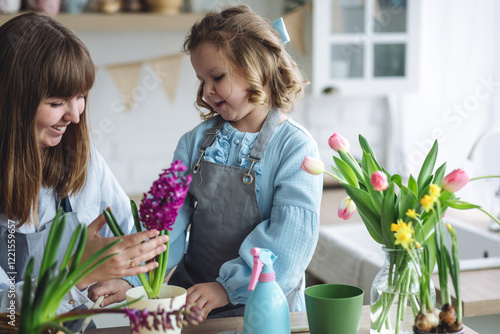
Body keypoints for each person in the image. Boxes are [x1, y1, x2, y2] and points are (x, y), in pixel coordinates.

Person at [0, 12, 168, 328]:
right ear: (12, 102)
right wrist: (81, 274)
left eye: (80, 97)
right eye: (56, 103)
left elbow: (131, 235)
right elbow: (6, 310)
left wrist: (129, 279)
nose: (75, 116)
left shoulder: (83, 162)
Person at [166, 5, 322, 318]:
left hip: (265, 306)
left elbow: (289, 242)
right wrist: (132, 278)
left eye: (217, 77)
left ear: (257, 67)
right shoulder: (193, 142)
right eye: (201, 80)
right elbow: (168, 221)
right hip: (195, 302)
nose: (208, 91)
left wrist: (226, 287)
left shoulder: (295, 148)